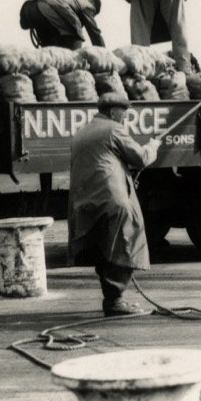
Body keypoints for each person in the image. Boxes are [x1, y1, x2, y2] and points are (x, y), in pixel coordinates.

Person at [68, 92, 161, 316]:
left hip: (86, 204)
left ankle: (113, 299)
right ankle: (115, 302)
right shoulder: (113, 129)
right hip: (112, 201)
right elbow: (140, 158)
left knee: (105, 249)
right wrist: (153, 146)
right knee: (127, 241)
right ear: (112, 112)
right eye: (124, 113)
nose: (125, 118)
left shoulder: (81, 132)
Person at [19, 0, 105, 49]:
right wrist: (105, 55)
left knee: (48, 46)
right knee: (76, 35)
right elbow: (94, 33)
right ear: (93, 2)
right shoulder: (88, 4)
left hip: (29, 8)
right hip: (48, 9)